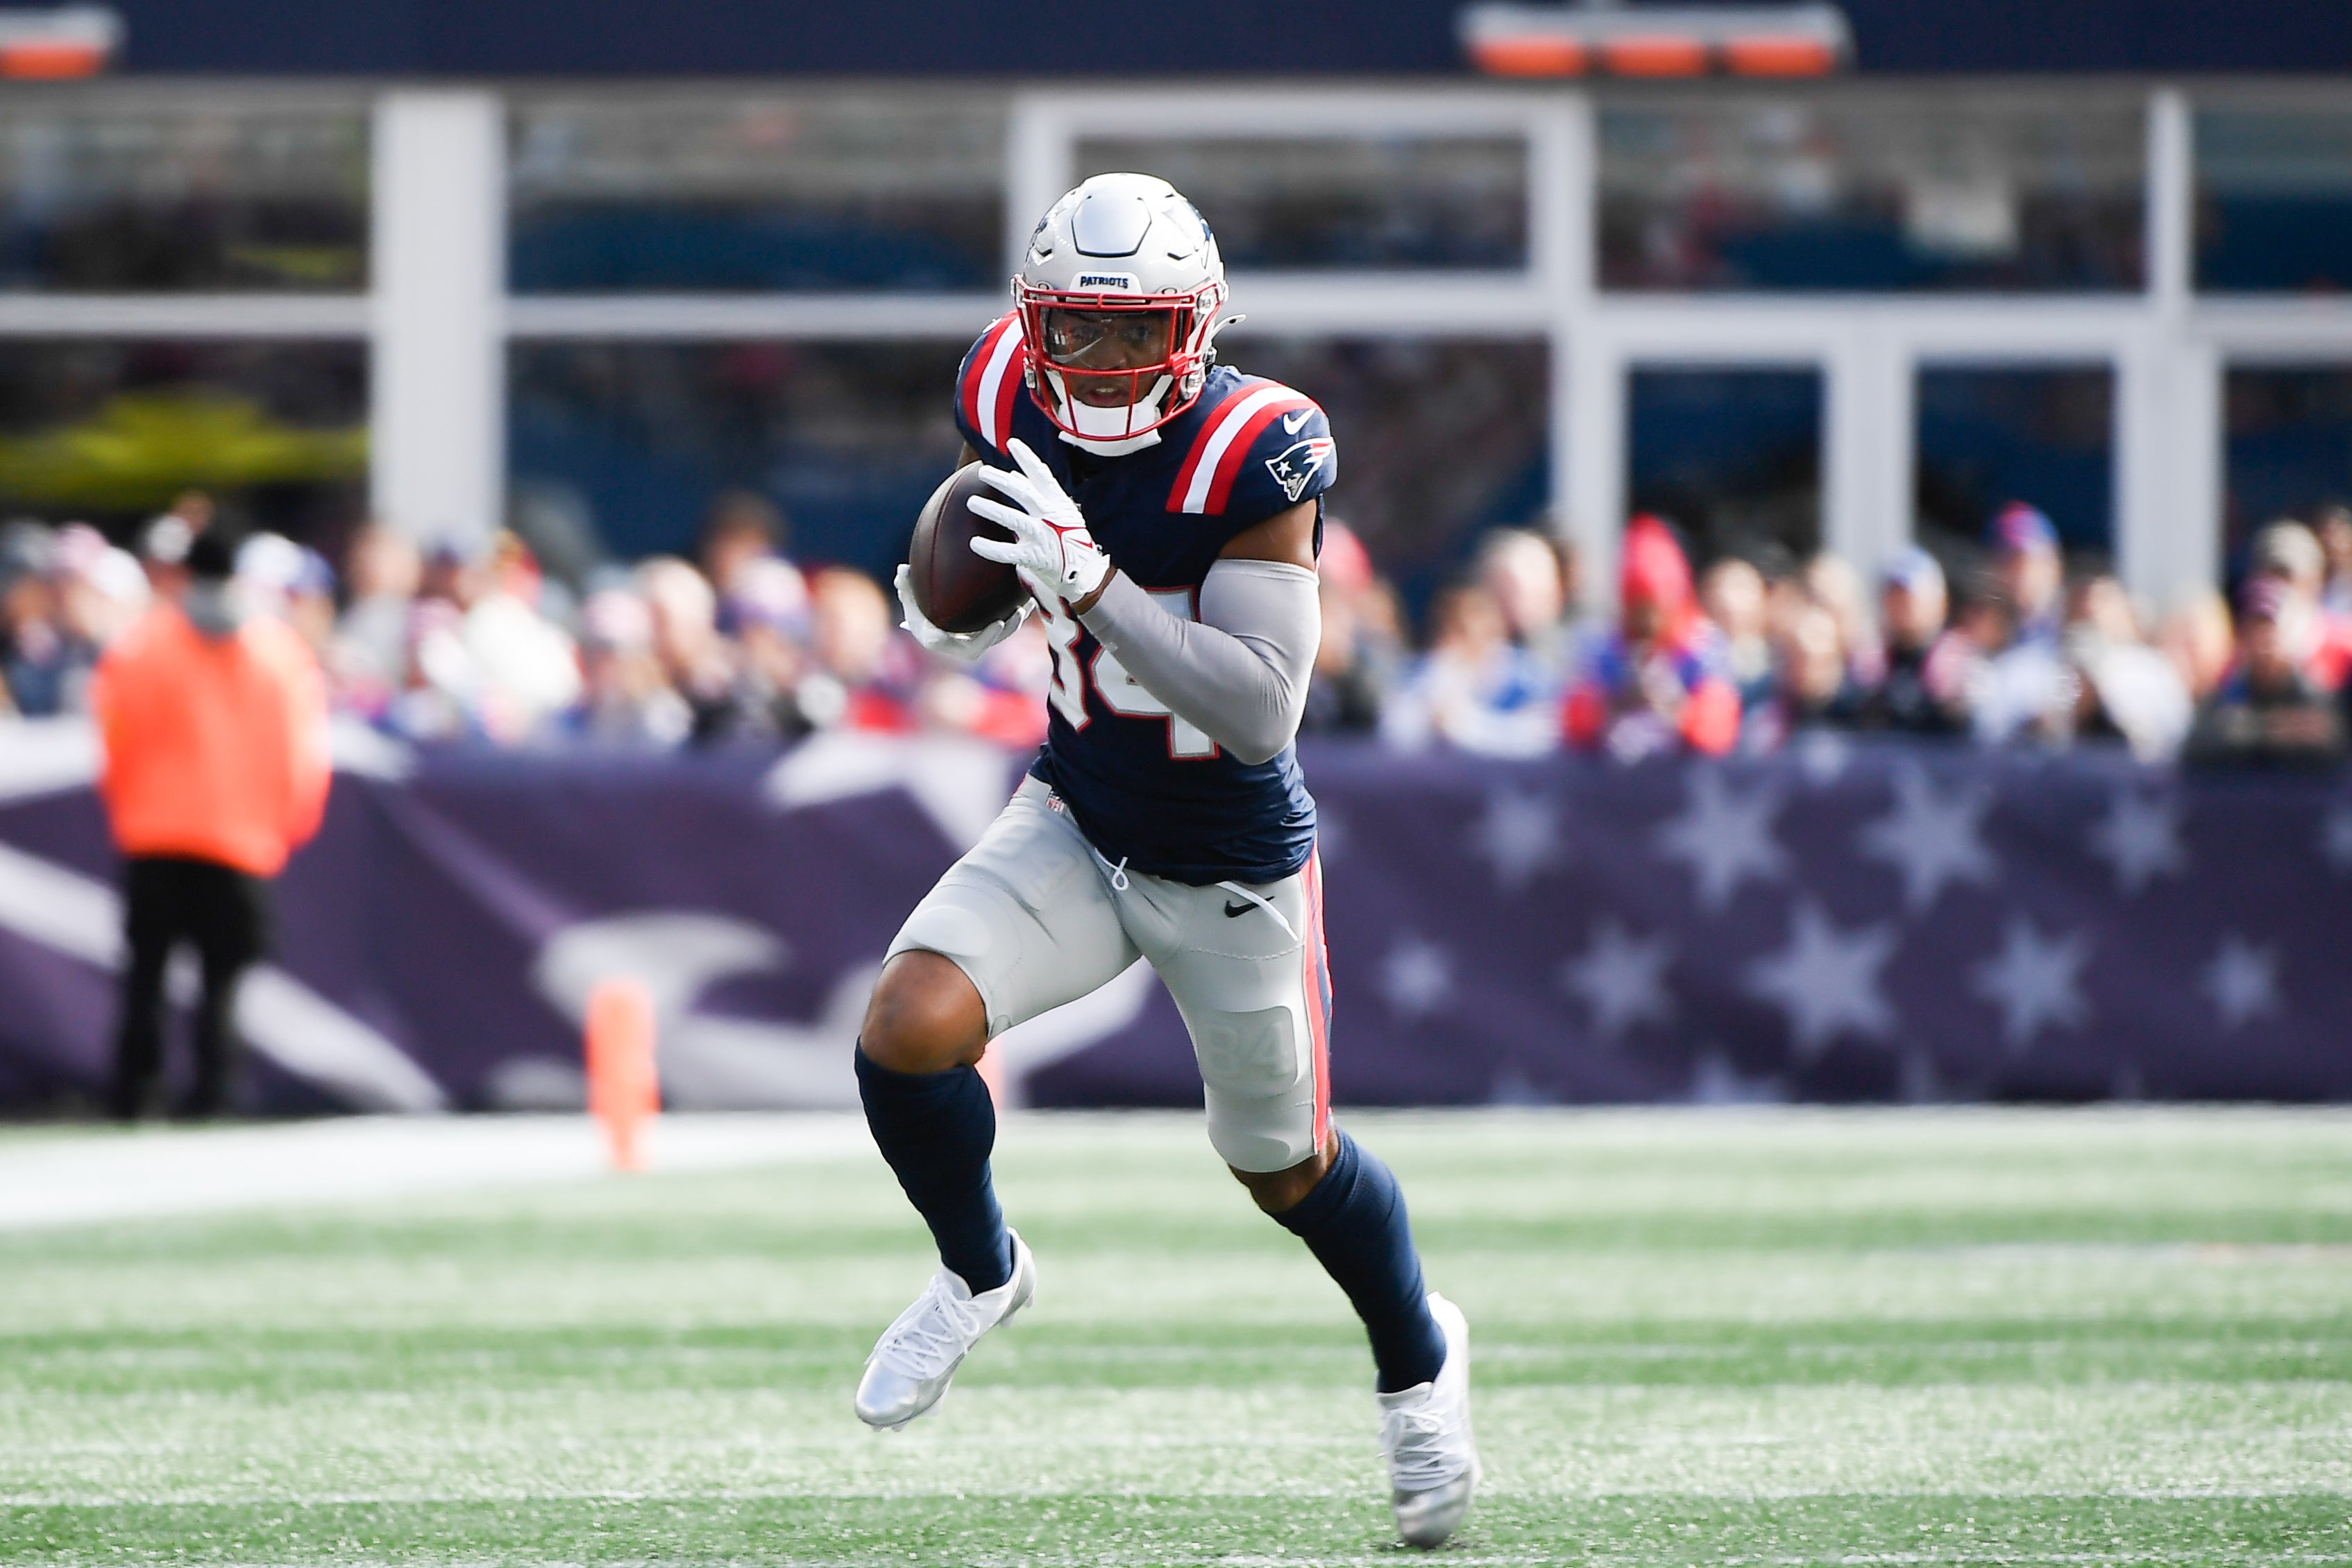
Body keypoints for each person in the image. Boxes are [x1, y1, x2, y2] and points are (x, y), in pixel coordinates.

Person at [868, 173, 1476, 1549]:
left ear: (1195, 326)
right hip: (1078, 812)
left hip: (1227, 858)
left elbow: (1259, 707)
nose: (1092, 362)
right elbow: (966, 539)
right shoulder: (1001, 386)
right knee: (908, 1025)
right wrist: (943, 592)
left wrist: (1090, 585)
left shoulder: (1256, 449)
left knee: (1284, 1168)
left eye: (1130, 328)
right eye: (1069, 329)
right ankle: (978, 1270)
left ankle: (1419, 1361)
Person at [90, 529, 330, 1120]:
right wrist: (286, 824)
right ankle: (212, 1098)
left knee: (145, 978)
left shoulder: (142, 646)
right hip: (240, 841)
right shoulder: (278, 651)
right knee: (222, 984)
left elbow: (111, 737)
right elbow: (302, 752)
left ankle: (134, 1096)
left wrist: (127, 807)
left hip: (154, 835)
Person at [1561, 515, 1739, 760]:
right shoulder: (1600, 646)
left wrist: (1673, 709)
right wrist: (1616, 703)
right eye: (1637, 610)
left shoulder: (1703, 647)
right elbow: (1573, 723)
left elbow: (1717, 733)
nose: (1646, 623)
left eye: (1654, 610)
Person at [2185, 578, 2344, 767]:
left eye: (2272, 634)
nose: (2264, 646)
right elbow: (2200, 741)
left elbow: (2332, 742)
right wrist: (2272, 729)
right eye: (2256, 634)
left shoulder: (2314, 695)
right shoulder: (2227, 691)